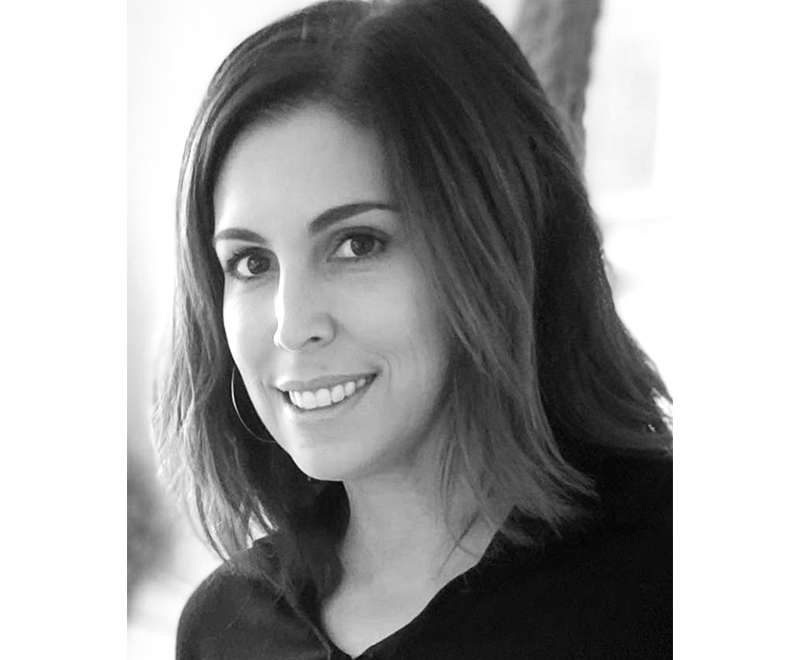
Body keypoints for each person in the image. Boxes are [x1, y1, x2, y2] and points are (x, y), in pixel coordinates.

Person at [154, 0, 673, 657]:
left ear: (496, 244)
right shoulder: (224, 628)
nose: (292, 325)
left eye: (357, 244)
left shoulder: (671, 575)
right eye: (251, 262)